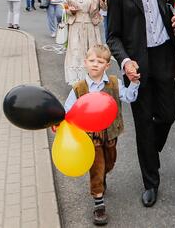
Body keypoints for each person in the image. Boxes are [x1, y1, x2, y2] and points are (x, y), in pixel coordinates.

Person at [107, 0, 175, 208]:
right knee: (143, 124)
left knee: (168, 114)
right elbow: (113, 36)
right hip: (137, 64)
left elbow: (173, 11)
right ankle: (151, 182)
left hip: (163, 55)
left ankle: (151, 150)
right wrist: (126, 61)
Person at [62, 44, 140, 226]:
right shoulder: (79, 88)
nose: (95, 64)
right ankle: (99, 203)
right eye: (91, 61)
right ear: (85, 63)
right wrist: (62, 123)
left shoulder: (113, 83)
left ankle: (103, 177)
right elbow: (68, 110)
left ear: (107, 65)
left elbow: (129, 98)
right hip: (90, 138)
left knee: (109, 163)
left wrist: (134, 83)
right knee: (96, 167)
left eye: (100, 61)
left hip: (111, 134)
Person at [64, 0, 104, 85]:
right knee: (75, 53)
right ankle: (77, 82)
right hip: (75, 25)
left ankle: (93, 80)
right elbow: (65, 7)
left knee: (92, 53)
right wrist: (70, 11)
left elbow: (105, 7)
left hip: (91, 25)